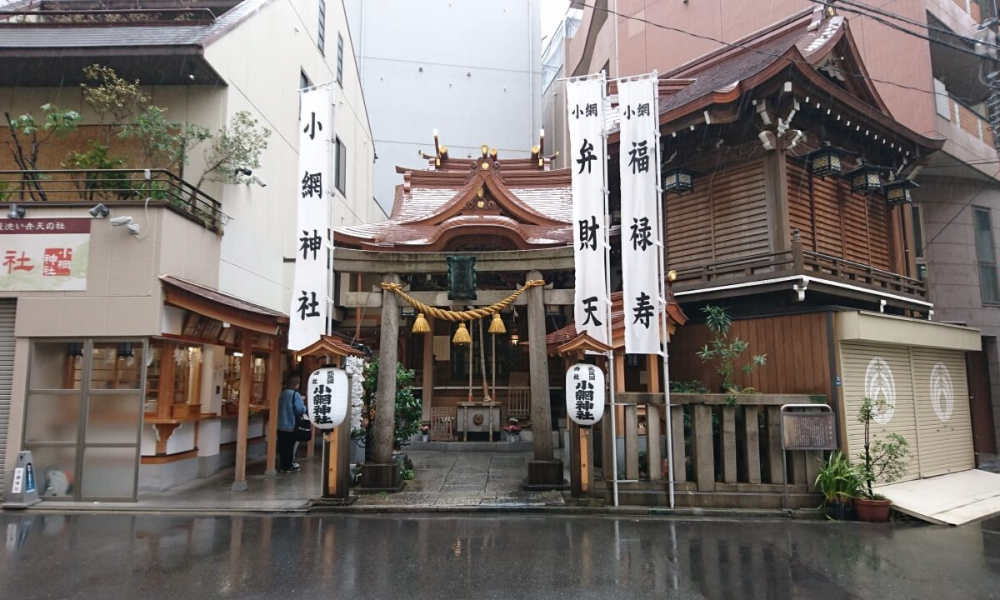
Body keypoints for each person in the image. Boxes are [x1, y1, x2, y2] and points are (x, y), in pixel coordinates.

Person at [277, 373, 306, 473]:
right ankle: (288, 466)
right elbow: (300, 409)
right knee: (289, 446)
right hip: (291, 425)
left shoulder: (283, 393)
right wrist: (304, 406)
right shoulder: (295, 394)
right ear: (296, 384)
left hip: (281, 424)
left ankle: (283, 465)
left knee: (282, 446)